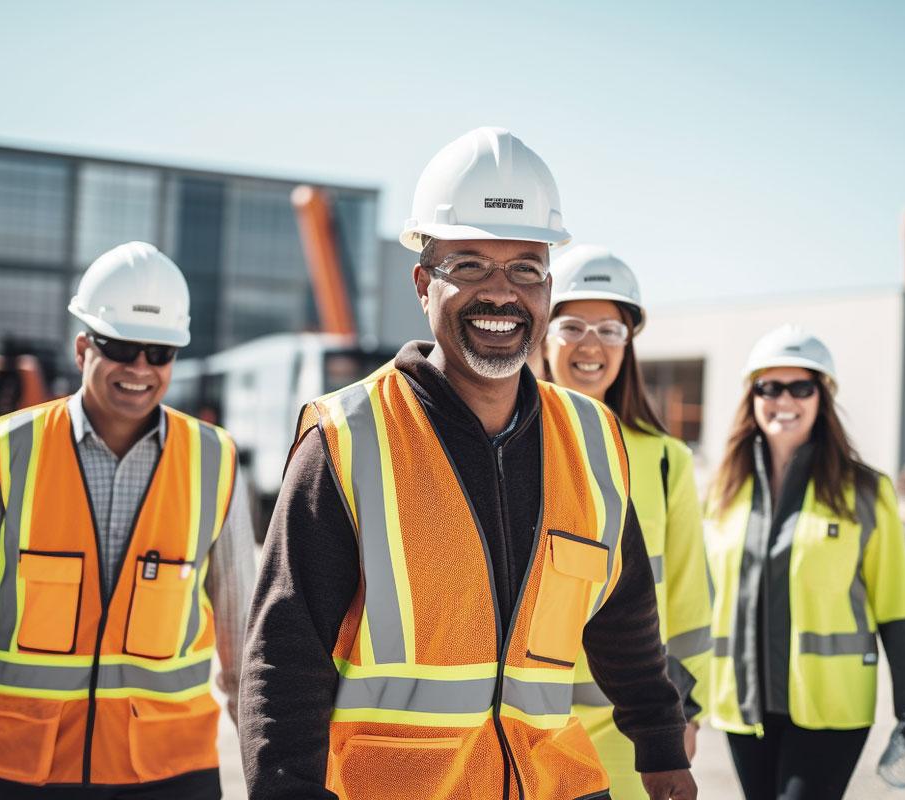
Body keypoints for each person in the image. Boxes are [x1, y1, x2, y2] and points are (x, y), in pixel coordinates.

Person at [240, 127, 698, 800]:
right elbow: (285, 655)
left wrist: (662, 748)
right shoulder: (348, 439)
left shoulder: (594, 440)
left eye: (525, 270)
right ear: (424, 282)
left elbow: (623, 616)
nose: (501, 294)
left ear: (546, 287)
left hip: (555, 785)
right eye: (472, 265)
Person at [0, 242, 256, 800]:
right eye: (119, 346)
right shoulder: (4, 451)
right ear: (82, 347)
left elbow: (244, 629)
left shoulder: (214, 460)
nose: (140, 368)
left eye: (159, 352)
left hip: (170, 771)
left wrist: (265, 756)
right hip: (25, 768)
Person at [705, 325, 905, 800]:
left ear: (821, 398)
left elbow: (896, 605)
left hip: (832, 705)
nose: (783, 399)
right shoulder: (722, 493)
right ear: (753, 397)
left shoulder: (867, 492)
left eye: (800, 387)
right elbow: (699, 603)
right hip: (743, 706)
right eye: (769, 387)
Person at [544, 245, 712, 799]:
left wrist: (682, 713)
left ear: (628, 344)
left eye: (610, 330)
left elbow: (689, 601)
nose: (591, 344)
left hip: (628, 727)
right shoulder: (502, 445)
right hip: (524, 722)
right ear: (542, 333)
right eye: (572, 325)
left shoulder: (666, 460)